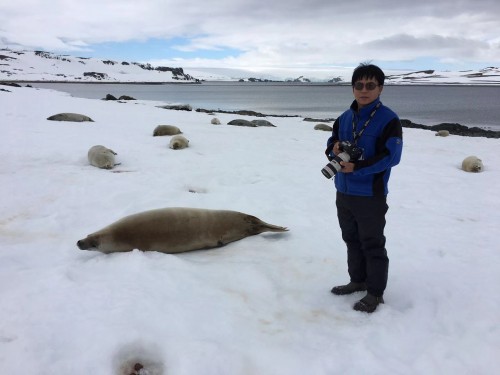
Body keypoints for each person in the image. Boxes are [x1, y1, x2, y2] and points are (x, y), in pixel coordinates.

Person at [324, 63, 403, 313]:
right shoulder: (344, 118)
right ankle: (357, 280)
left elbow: (392, 157)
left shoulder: (389, 119)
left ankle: (375, 293)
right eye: (359, 85)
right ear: (353, 88)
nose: (364, 90)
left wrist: (357, 168)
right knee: (351, 239)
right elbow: (329, 145)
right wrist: (334, 148)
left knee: (372, 243)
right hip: (344, 191)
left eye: (370, 85)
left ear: (380, 88)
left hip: (370, 194)